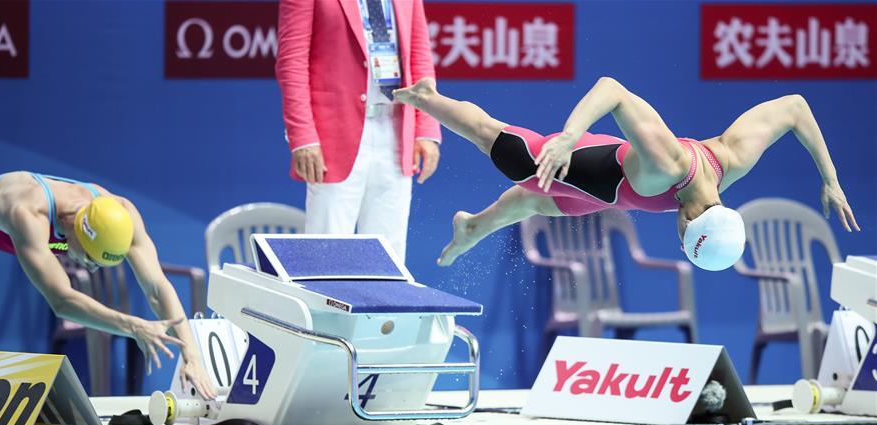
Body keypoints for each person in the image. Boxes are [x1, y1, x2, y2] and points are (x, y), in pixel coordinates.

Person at [392, 77, 859, 270]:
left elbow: (794, 108)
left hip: (611, 194)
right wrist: (569, 137)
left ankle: (473, 227)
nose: (677, 239)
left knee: (538, 202)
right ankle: (426, 98)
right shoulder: (667, 163)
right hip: (592, 165)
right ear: (688, 223)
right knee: (510, 153)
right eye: (683, 241)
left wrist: (831, 180)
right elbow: (612, 90)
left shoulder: (732, 160)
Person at [0, 171, 217, 399]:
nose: (92, 268)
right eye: (90, 258)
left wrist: (191, 355)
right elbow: (62, 300)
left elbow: (156, 288)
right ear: (76, 228)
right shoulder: (27, 211)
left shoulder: (122, 211)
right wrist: (133, 326)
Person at [276, 0, 442, 260]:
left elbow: (420, 56)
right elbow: (292, 62)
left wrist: (426, 128)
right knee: (326, 257)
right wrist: (303, 136)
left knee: (387, 258)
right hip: (334, 136)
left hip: (396, 131)